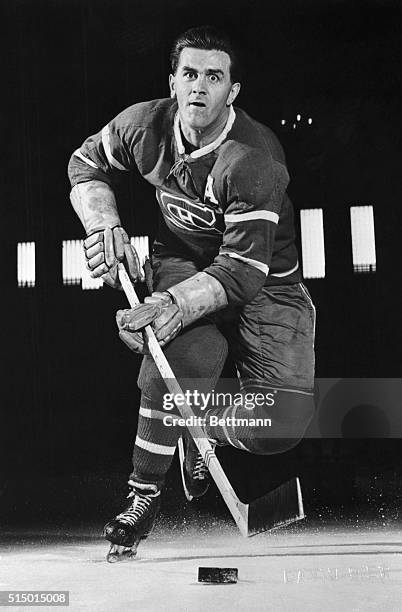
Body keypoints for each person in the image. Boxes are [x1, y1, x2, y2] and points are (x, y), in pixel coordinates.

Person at [68, 25, 316, 561]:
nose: (200, 87)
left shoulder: (255, 159)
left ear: (233, 90)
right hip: (183, 264)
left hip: (268, 286)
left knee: (284, 423)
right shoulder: (143, 125)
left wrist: (169, 304)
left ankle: (206, 427)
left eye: (214, 76)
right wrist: (102, 223)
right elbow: (84, 162)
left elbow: (241, 275)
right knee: (173, 367)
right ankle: (142, 498)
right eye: (189, 74)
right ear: (174, 82)